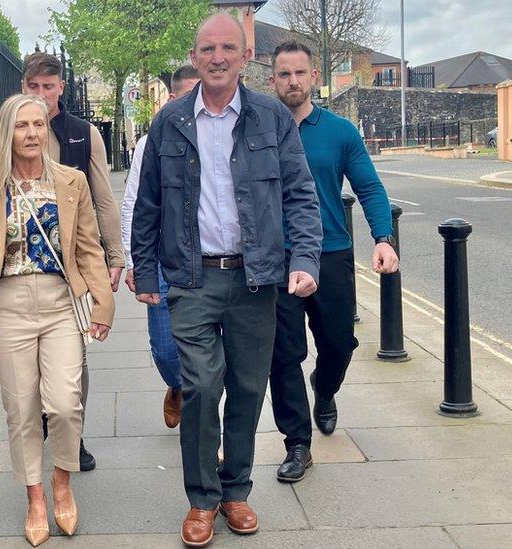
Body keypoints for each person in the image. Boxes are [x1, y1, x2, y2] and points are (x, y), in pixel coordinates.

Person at [131, 14, 323, 547]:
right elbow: (148, 205)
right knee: (198, 386)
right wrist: (145, 271)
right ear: (195, 56)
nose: (216, 57)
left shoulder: (269, 118)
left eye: (227, 48)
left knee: (244, 387)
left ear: (245, 55)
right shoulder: (168, 123)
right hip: (191, 279)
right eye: (207, 48)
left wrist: (304, 259)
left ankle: (236, 490)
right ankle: (202, 500)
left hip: (256, 279)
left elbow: (300, 196)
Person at [0, 94, 114, 546]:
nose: (32, 133)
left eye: (38, 125)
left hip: (60, 303)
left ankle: (62, 483)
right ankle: (35, 498)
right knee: (22, 409)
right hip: (7, 306)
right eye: (21, 126)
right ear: (5, 134)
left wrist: (103, 303)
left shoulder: (71, 182)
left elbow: (88, 247)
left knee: (66, 403)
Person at [266, 40, 399, 483]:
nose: (293, 81)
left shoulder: (340, 132)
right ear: (273, 80)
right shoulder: (258, 130)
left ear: (315, 78)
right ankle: (297, 444)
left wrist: (383, 238)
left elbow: (370, 188)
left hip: (332, 256)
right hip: (277, 262)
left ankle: (325, 389)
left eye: (300, 73)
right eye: (284, 74)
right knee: (284, 355)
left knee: (339, 344)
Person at [22, 52, 124, 471]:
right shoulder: (11, 132)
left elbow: (103, 198)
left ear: (61, 87)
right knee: (28, 361)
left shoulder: (84, 134)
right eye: (34, 87)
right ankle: (43, 421)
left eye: (49, 86)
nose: (42, 95)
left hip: (75, 263)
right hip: (25, 262)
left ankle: (71, 433)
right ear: (23, 87)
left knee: (75, 356)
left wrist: (115, 255)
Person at [121, 64, 200, 429]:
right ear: (172, 99)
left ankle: (206, 433)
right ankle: (177, 386)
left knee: (214, 358)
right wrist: (133, 260)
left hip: (215, 264)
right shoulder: (148, 142)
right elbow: (135, 202)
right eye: (191, 94)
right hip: (165, 260)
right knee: (167, 351)